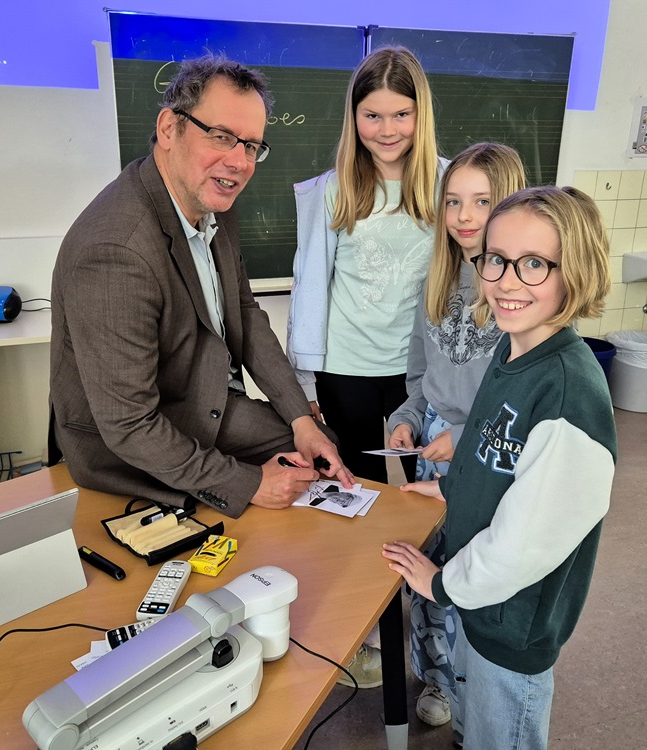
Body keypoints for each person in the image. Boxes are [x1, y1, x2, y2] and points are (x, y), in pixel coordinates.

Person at [50, 54, 353, 520]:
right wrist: (248, 482)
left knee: (319, 450)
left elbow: (246, 314)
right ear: (170, 128)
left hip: (201, 399)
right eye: (221, 137)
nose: (238, 161)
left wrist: (299, 418)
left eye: (251, 145)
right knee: (269, 497)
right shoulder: (115, 252)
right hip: (132, 439)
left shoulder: (212, 200)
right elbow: (129, 426)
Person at [382, 185, 617, 750]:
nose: (508, 281)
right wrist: (448, 490)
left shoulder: (566, 392)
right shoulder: (509, 349)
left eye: (534, 263)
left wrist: (440, 584)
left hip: (511, 624)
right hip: (480, 603)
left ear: (575, 269)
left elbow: (524, 544)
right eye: (496, 259)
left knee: (502, 733)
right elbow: (490, 454)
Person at [386, 143, 527, 729]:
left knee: (475, 577)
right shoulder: (436, 279)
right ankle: (441, 682)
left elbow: (522, 397)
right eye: (453, 201)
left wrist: (465, 436)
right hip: (432, 455)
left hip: (489, 456)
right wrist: (409, 419)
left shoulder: (517, 294)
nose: (465, 216)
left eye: (483, 201)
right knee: (428, 573)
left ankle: (479, 708)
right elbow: (421, 377)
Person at [287, 46, 446, 487]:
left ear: (421, 115)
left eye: (401, 114)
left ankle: (423, 556)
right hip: (345, 368)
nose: (387, 130)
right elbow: (312, 283)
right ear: (354, 117)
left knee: (429, 477)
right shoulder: (334, 189)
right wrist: (304, 379)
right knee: (359, 484)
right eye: (371, 115)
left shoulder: (451, 184)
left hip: (418, 367)